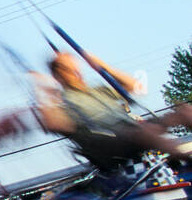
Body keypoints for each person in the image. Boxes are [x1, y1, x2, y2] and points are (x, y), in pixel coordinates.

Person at [37, 51, 192, 163]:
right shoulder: (65, 102)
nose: (77, 73)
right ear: (58, 76)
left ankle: (174, 154)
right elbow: (52, 123)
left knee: (185, 111)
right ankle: (186, 161)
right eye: (69, 70)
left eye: (76, 68)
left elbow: (134, 86)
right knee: (145, 133)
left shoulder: (97, 90)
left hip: (134, 129)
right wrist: (45, 93)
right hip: (110, 143)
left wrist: (102, 66)